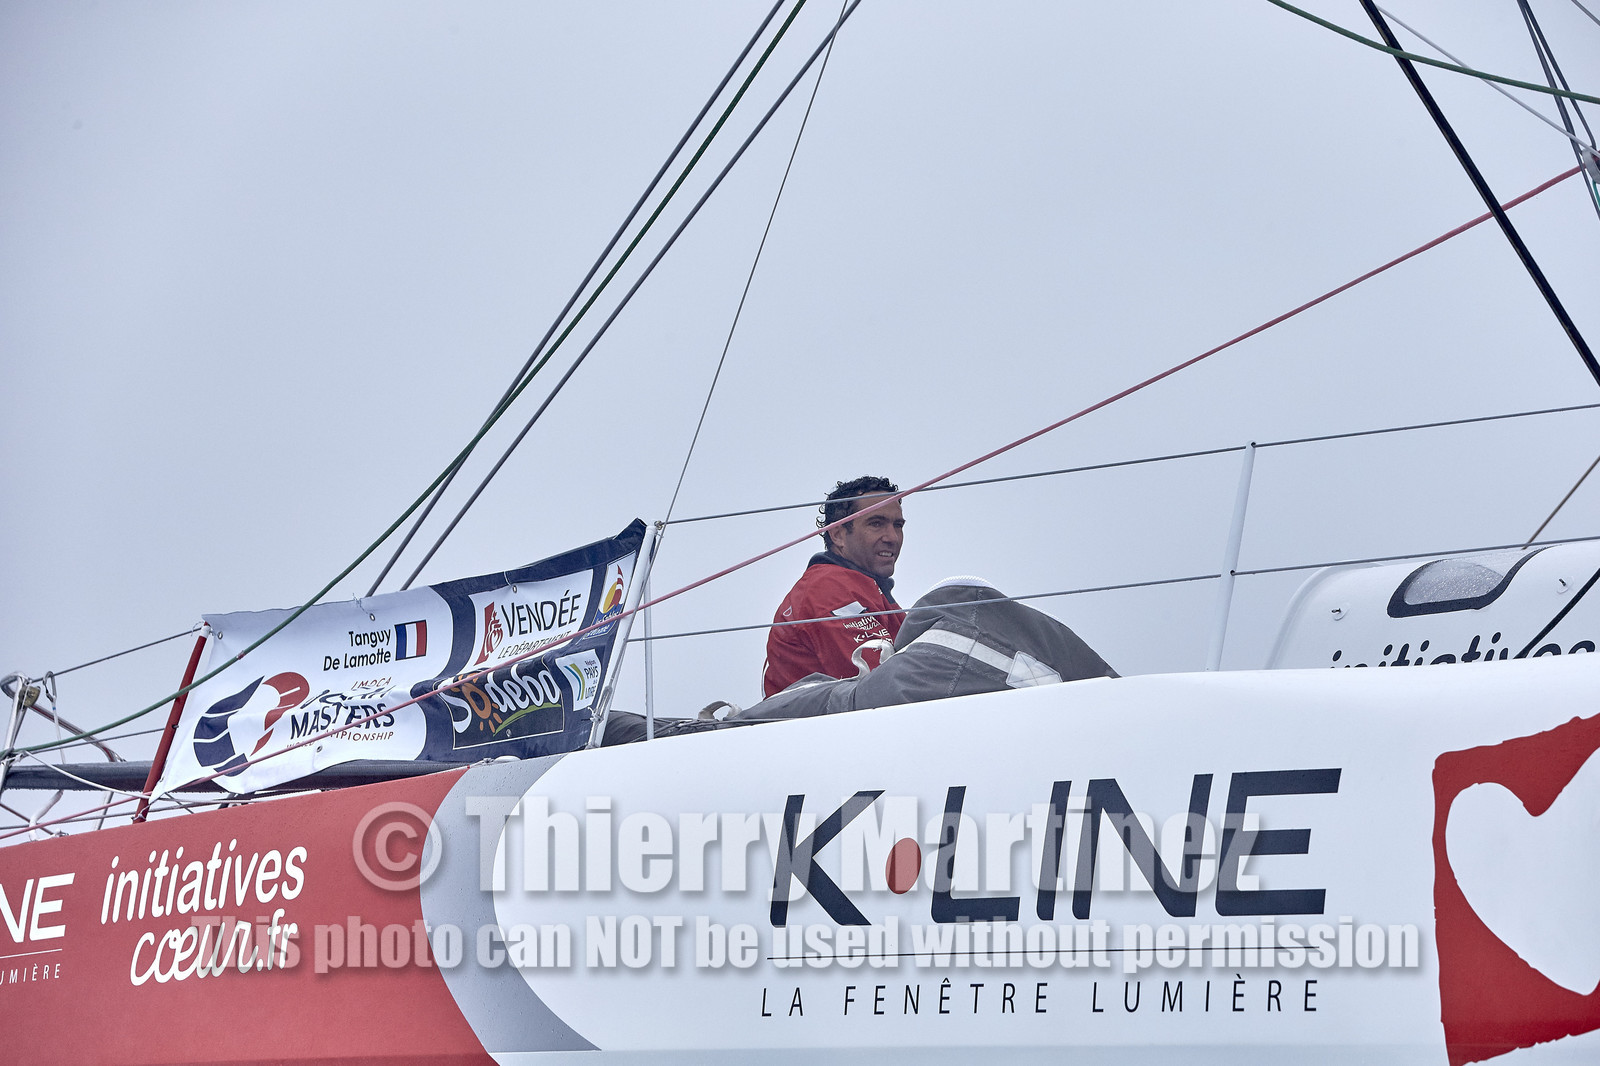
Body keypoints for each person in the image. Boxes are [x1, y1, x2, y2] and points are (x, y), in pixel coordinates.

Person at [762, 476, 905, 697]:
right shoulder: (828, 589)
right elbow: (885, 683)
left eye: (897, 525)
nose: (892, 537)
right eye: (876, 523)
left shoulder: (864, 588)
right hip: (816, 728)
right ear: (838, 534)